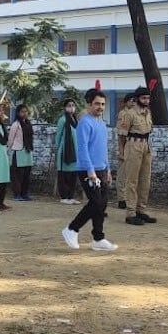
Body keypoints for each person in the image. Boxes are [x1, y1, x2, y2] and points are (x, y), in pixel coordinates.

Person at [61, 88, 118, 251]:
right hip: (88, 170)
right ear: (89, 104)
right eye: (97, 104)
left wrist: (107, 169)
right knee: (96, 202)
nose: (100, 107)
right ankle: (72, 229)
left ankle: (98, 238)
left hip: (101, 169)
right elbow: (83, 149)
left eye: (103, 104)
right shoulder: (84, 123)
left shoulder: (101, 123)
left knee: (102, 203)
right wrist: (90, 171)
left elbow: (103, 148)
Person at [117, 86, 156, 226]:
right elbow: (122, 135)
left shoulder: (148, 113)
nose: (146, 100)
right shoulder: (129, 114)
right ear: (137, 99)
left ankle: (141, 210)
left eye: (148, 98)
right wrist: (122, 151)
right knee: (132, 180)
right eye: (143, 98)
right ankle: (131, 212)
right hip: (133, 145)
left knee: (145, 179)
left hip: (145, 144)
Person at [55, 98, 80, 205]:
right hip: (65, 151)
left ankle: (71, 196)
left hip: (75, 151)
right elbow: (58, 136)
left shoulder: (75, 120)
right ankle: (64, 196)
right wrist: (58, 149)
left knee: (73, 175)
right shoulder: (62, 120)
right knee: (64, 174)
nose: (71, 107)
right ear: (65, 107)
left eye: (73, 105)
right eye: (69, 105)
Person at [8, 104, 34, 201]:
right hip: (18, 151)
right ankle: (17, 194)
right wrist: (9, 149)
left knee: (26, 175)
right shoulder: (16, 125)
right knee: (18, 175)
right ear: (18, 113)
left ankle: (24, 193)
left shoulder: (28, 123)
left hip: (27, 151)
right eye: (22, 112)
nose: (24, 113)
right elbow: (10, 139)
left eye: (26, 111)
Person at [115, 93, 135, 209]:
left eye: (134, 101)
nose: (133, 103)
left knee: (131, 175)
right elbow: (121, 135)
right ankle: (121, 198)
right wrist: (121, 151)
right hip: (126, 145)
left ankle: (129, 198)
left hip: (134, 147)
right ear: (126, 102)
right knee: (122, 174)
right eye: (131, 101)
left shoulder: (136, 114)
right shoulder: (123, 114)